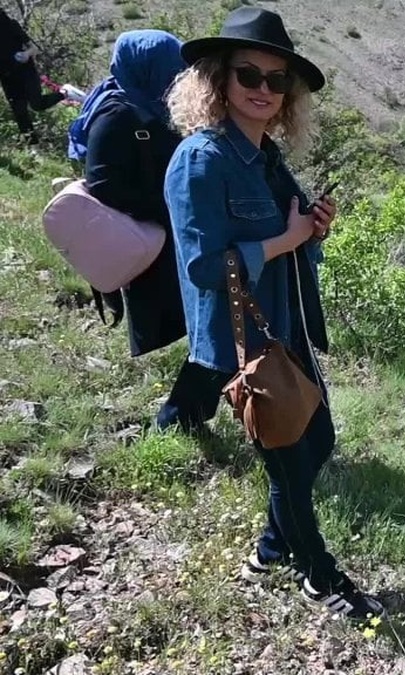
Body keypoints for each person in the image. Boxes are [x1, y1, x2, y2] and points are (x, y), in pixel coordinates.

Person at [163, 6, 382, 621]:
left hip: (289, 328)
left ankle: (268, 552)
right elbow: (204, 268)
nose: (263, 89)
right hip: (247, 342)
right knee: (288, 464)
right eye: (248, 75)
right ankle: (322, 578)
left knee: (318, 441)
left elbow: (284, 242)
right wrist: (283, 242)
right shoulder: (201, 161)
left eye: (276, 79)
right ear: (217, 79)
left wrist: (311, 232)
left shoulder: (263, 157)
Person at [68, 29, 223, 434]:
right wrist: (168, 205)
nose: (175, 76)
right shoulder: (118, 113)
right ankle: (179, 418)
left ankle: (185, 414)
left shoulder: (152, 105)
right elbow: (103, 184)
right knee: (212, 324)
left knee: (212, 324)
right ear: (147, 67)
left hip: (174, 236)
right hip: (154, 242)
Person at [1, 8, 64, 143]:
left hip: (25, 71)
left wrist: (26, 54)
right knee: (20, 113)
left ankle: (65, 93)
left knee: (37, 104)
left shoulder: (10, 25)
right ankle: (33, 147)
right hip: (7, 78)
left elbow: (34, 48)